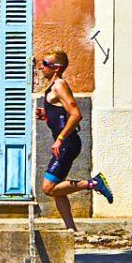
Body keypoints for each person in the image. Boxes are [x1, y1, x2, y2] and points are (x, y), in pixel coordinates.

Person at [36, 50, 111, 230]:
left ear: (56, 68)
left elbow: (76, 114)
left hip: (67, 144)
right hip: (64, 144)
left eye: (45, 64)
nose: (41, 67)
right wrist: (46, 114)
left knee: (48, 188)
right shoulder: (53, 86)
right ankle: (71, 229)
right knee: (57, 190)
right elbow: (61, 112)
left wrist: (60, 139)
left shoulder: (59, 85)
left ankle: (93, 183)